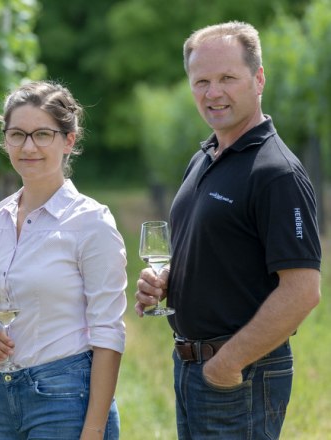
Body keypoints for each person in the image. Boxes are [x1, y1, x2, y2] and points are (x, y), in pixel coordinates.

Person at [135, 21, 322, 439]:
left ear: (258, 80)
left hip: (241, 376)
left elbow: (302, 291)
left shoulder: (276, 173)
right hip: (192, 367)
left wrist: (227, 363)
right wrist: (166, 282)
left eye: (226, 79)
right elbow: (220, 256)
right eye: (201, 81)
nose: (212, 92)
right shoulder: (206, 156)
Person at [0, 80, 128, 440]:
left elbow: (108, 333)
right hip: (4, 398)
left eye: (43, 134)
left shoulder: (91, 222)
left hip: (67, 398)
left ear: (68, 141)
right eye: (17, 134)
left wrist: (94, 429)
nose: (28, 147)